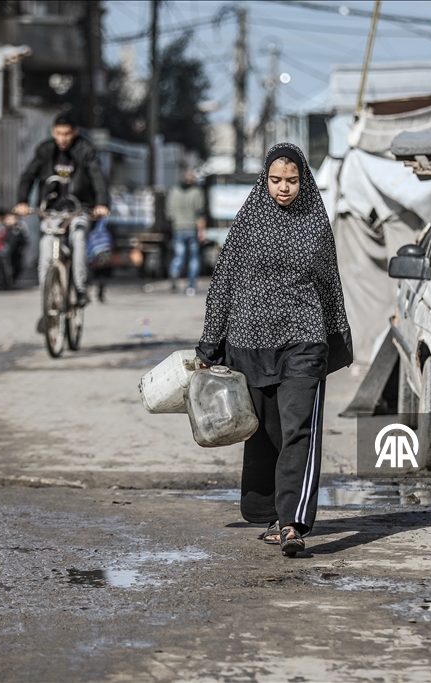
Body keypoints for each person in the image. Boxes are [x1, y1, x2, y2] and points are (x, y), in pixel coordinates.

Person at [196, 143, 353, 557]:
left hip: (303, 341)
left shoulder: (316, 225)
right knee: (267, 432)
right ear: (264, 179)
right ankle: (268, 512)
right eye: (276, 180)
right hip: (249, 342)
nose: (284, 188)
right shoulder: (247, 224)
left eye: (293, 180)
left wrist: (335, 342)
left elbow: (330, 286)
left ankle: (292, 523)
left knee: (299, 429)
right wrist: (211, 342)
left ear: (304, 180)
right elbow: (223, 283)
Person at [15, 112, 109, 313]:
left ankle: (81, 288)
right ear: (53, 132)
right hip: (51, 210)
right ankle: (47, 300)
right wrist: (22, 201)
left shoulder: (85, 149)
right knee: (46, 248)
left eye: (67, 134)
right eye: (59, 134)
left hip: (79, 208)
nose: (63, 139)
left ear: (74, 132)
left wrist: (101, 203)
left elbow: (97, 177)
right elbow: (28, 176)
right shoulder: (45, 150)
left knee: (79, 238)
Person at [166, 170, 206, 296]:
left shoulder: (174, 191)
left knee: (179, 255)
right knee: (194, 258)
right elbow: (201, 213)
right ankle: (191, 286)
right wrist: (202, 231)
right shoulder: (197, 192)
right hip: (192, 228)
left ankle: (175, 272)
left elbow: (169, 213)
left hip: (178, 228)